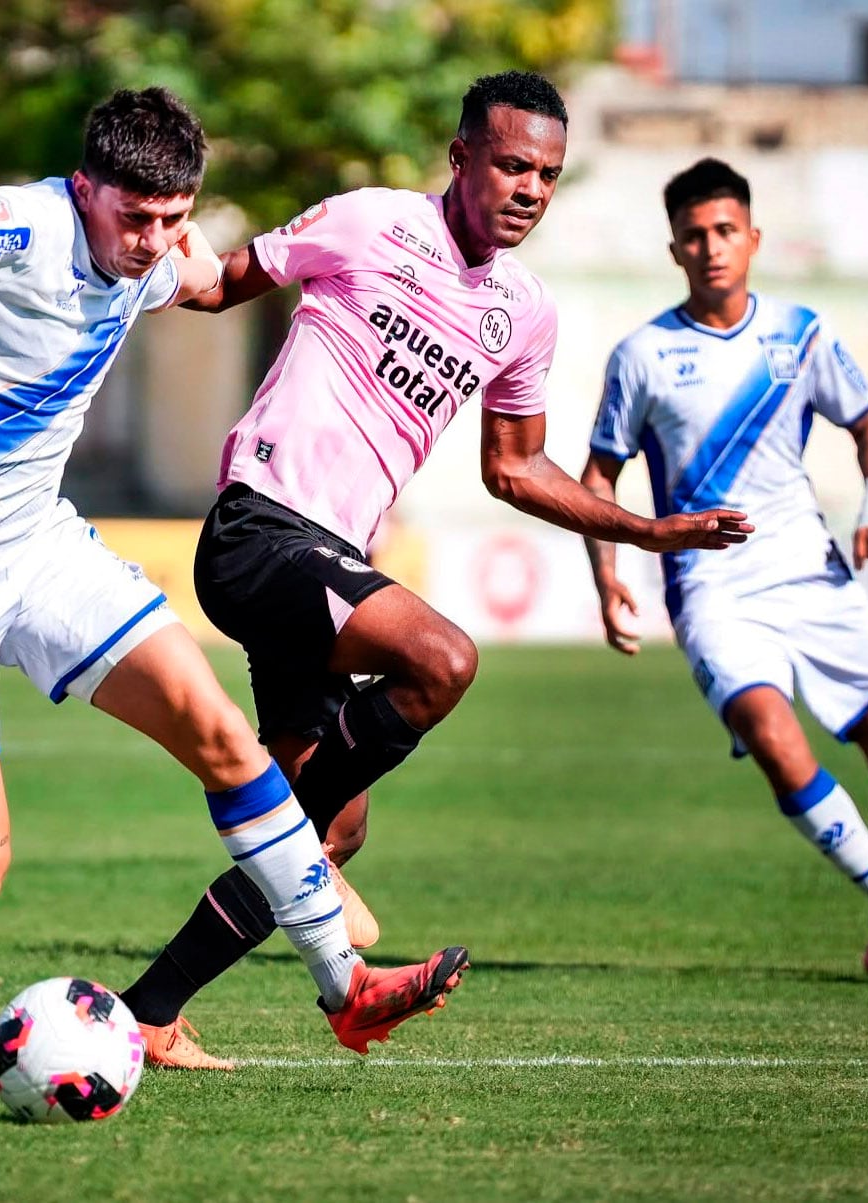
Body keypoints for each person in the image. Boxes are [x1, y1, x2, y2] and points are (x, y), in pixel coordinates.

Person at [0, 87, 471, 1083]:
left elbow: (203, 273)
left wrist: (298, 272)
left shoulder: (155, 248)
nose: (154, 240)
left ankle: (346, 988)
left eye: (175, 217)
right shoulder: (31, 225)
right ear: (87, 190)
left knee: (219, 734)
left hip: (36, 545)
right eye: (136, 217)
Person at [118, 71, 754, 1069]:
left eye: (547, 173)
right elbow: (223, 282)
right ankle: (297, 897)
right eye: (510, 164)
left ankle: (152, 1011)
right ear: (460, 159)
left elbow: (515, 466)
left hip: (327, 559)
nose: (530, 188)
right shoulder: (372, 223)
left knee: (326, 837)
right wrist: (115, 268)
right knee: (442, 661)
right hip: (260, 531)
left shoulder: (524, 312)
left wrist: (646, 530)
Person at [580, 157, 868, 974]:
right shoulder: (642, 356)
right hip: (712, 587)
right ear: (673, 250)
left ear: (753, 237)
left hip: (812, 573)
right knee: (772, 735)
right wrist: (607, 572)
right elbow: (599, 478)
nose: (710, 248)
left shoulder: (800, 334)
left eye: (724, 230)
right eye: (693, 236)